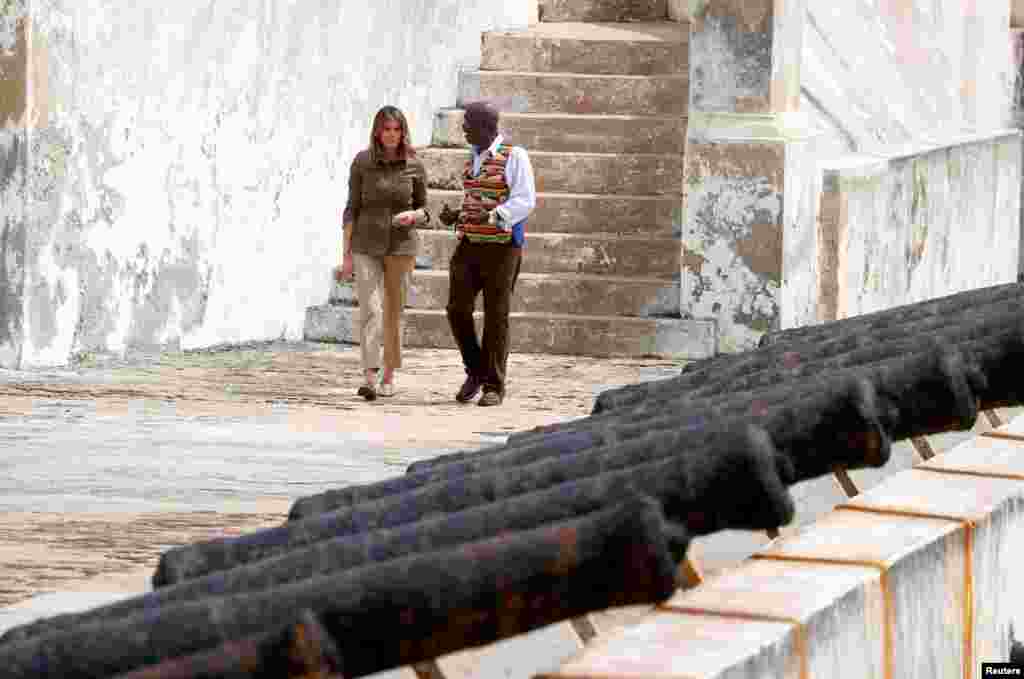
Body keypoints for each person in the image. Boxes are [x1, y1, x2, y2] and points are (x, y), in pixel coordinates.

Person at [439, 100, 536, 407]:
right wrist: (457, 213)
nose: (464, 129)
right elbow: (476, 195)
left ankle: (494, 385)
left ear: (487, 128)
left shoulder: (514, 156)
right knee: (457, 309)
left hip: (502, 248)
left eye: (468, 124)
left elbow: (525, 200)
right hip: (470, 244)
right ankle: (476, 370)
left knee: (497, 316)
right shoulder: (474, 155)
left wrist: (493, 216)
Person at [338, 105, 430, 401]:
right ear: (377, 131)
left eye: (396, 129)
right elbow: (351, 208)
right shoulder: (362, 162)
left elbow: (425, 210)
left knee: (393, 311)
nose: (391, 135)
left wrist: (412, 217)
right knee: (371, 310)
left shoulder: (415, 165)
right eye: (386, 129)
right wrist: (346, 255)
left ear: (403, 132)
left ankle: (389, 374)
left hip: (401, 247)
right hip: (365, 245)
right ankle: (369, 376)